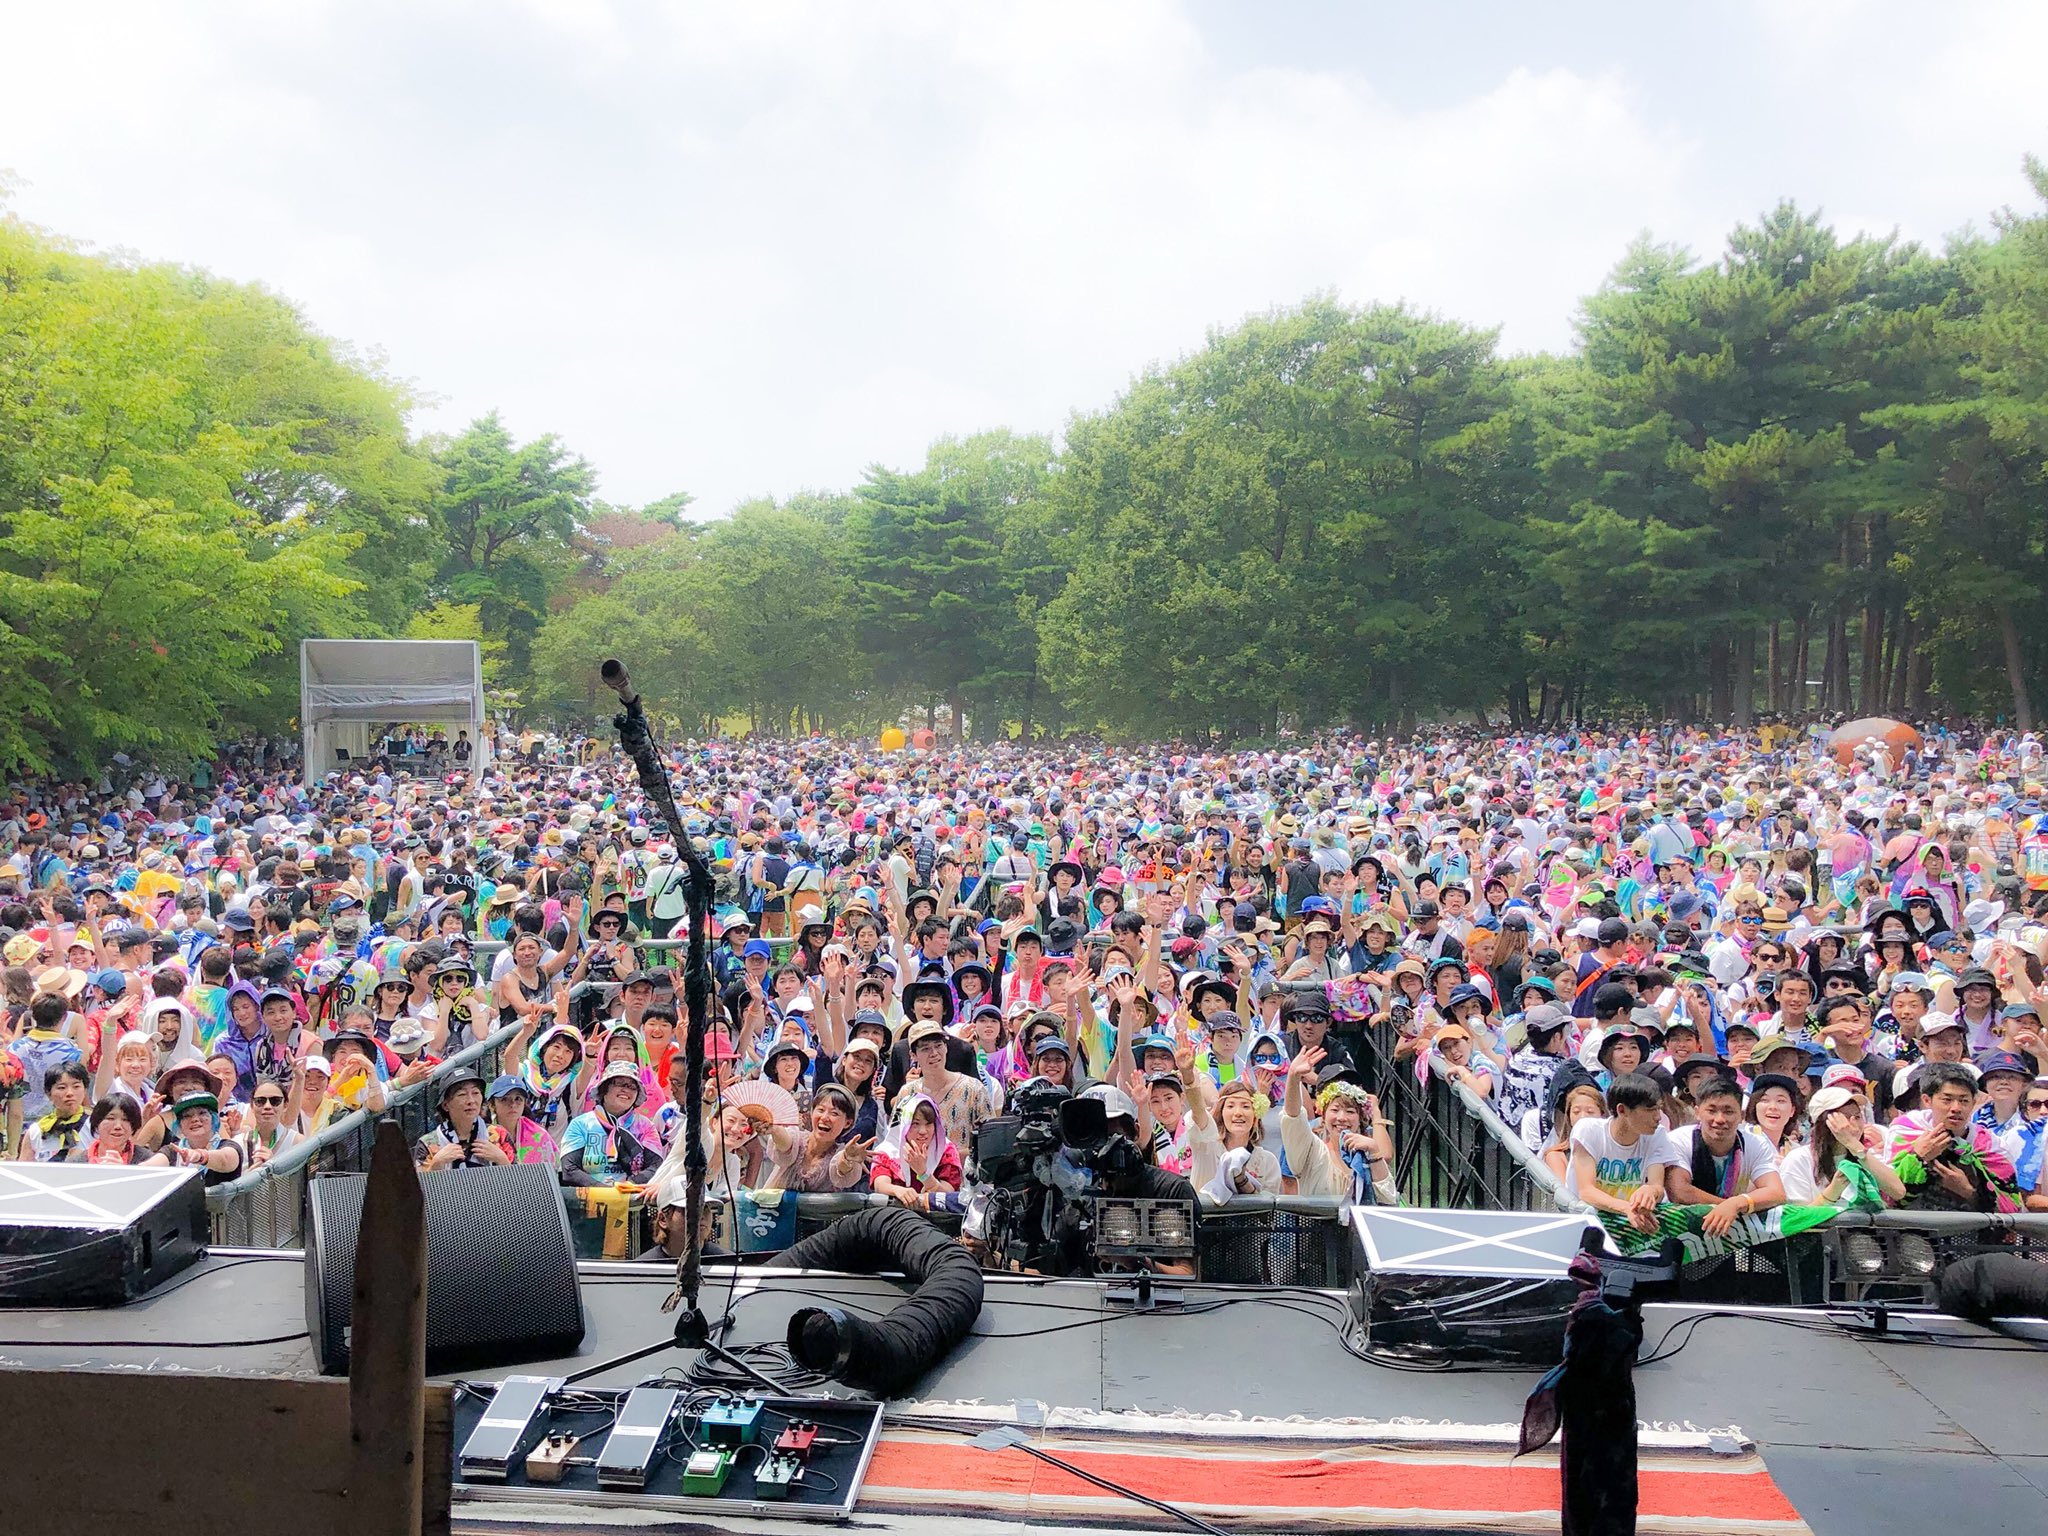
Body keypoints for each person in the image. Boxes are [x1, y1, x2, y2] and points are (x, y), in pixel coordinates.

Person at [1569, 1073, 1678, 1239]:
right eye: (1650, 1110)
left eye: (1659, 1108)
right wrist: (1626, 1208)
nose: (1658, 1117)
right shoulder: (1588, 1131)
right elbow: (1586, 1191)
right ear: (1622, 1110)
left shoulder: (1658, 1135)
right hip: (1586, 1223)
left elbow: (1657, 1186)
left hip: (1630, 1224)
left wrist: (1650, 1191)